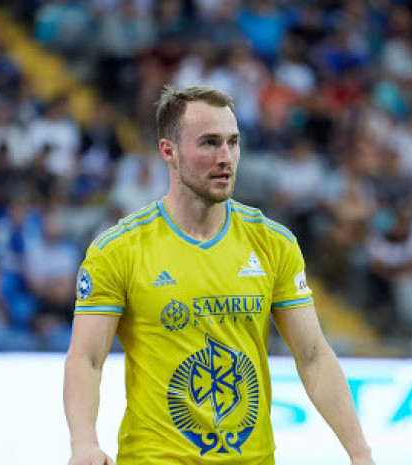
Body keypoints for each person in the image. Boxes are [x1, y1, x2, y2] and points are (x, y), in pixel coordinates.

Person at [63, 85, 376, 465]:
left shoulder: (272, 243)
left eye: (233, 142)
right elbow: (86, 359)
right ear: (169, 151)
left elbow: (314, 357)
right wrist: (84, 443)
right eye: (209, 143)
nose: (225, 157)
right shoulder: (119, 250)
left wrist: (360, 453)